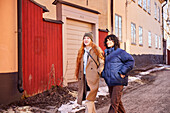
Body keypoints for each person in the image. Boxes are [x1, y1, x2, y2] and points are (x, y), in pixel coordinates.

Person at [102, 34, 134, 113]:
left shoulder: (120, 52)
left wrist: (123, 72)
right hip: (110, 81)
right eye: (107, 40)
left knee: (114, 103)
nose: (108, 42)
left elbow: (130, 61)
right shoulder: (106, 53)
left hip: (118, 80)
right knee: (117, 102)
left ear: (115, 41)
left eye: (110, 40)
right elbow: (107, 66)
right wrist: (104, 74)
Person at [75, 32, 104, 113]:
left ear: (91, 40)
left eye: (88, 38)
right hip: (83, 77)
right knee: (89, 98)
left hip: (93, 76)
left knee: (89, 98)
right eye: (84, 38)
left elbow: (101, 62)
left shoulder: (96, 50)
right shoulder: (81, 51)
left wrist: (98, 72)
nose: (86, 40)